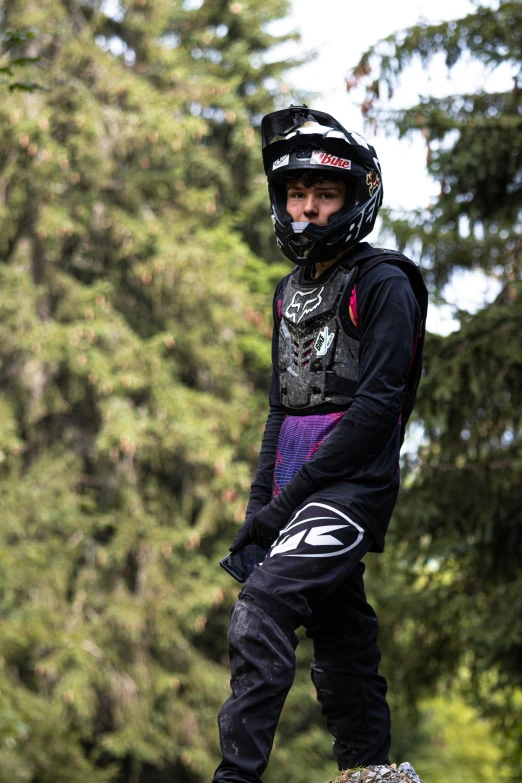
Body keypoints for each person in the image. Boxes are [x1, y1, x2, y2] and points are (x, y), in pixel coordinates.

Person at [212, 105, 428, 783]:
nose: (308, 207)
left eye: (325, 194)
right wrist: (260, 504)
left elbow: (374, 411)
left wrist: (287, 507)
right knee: (340, 631)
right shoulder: (287, 292)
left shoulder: (384, 282)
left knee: (265, 606)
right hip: (295, 488)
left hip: (351, 486)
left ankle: (235, 777)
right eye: (296, 193)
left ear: (354, 197)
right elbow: (280, 406)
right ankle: (369, 770)